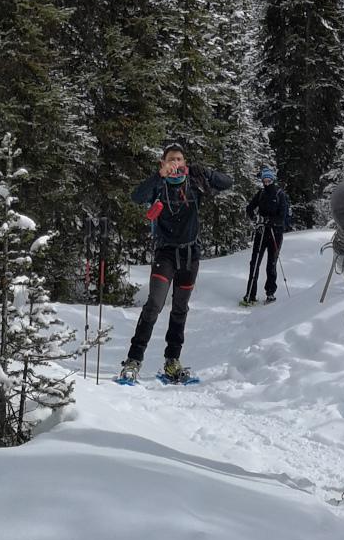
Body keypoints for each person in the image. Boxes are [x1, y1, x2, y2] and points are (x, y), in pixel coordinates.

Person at [120, 143, 233, 383]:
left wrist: (203, 172)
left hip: (191, 254)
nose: (176, 164)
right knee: (154, 305)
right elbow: (136, 196)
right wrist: (157, 176)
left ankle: (172, 361)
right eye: (171, 159)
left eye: (180, 159)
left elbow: (227, 182)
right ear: (163, 163)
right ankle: (133, 360)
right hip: (165, 253)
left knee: (180, 308)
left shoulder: (194, 182)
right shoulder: (159, 185)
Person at [243, 167, 291, 305]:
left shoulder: (280, 194)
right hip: (261, 232)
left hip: (275, 233)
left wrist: (270, 220)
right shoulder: (261, 193)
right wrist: (256, 219)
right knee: (255, 262)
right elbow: (249, 208)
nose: (266, 182)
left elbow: (283, 216)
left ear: (273, 179)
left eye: (269, 180)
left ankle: (270, 293)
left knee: (271, 263)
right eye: (264, 180)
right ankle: (250, 294)